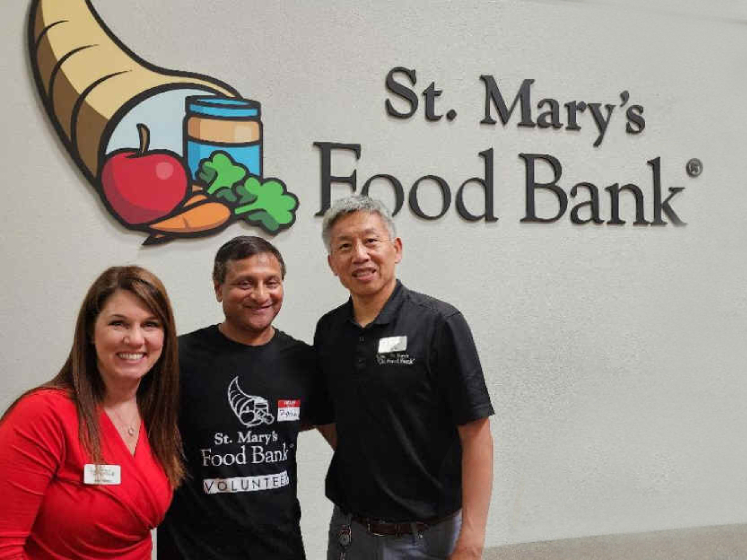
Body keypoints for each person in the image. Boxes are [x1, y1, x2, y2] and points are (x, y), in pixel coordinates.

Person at [315, 195, 495, 560]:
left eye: (371, 241)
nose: (360, 255)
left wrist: (471, 542)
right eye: (345, 246)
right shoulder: (329, 330)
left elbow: (476, 434)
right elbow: (330, 414)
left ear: (395, 249)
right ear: (332, 264)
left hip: (430, 536)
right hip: (351, 532)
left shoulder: (439, 323)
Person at [158, 236, 332, 560]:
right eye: (245, 283)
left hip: (280, 550)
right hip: (192, 551)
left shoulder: (304, 362)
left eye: (272, 282)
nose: (261, 295)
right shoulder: (176, 359)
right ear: (218, 288)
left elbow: (342, 441)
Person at [0, 266, 183, 560]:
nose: (136, 339)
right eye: (119, 323)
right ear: (90, 331)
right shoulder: (42, 414)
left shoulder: (156, 414)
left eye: (150, 324)